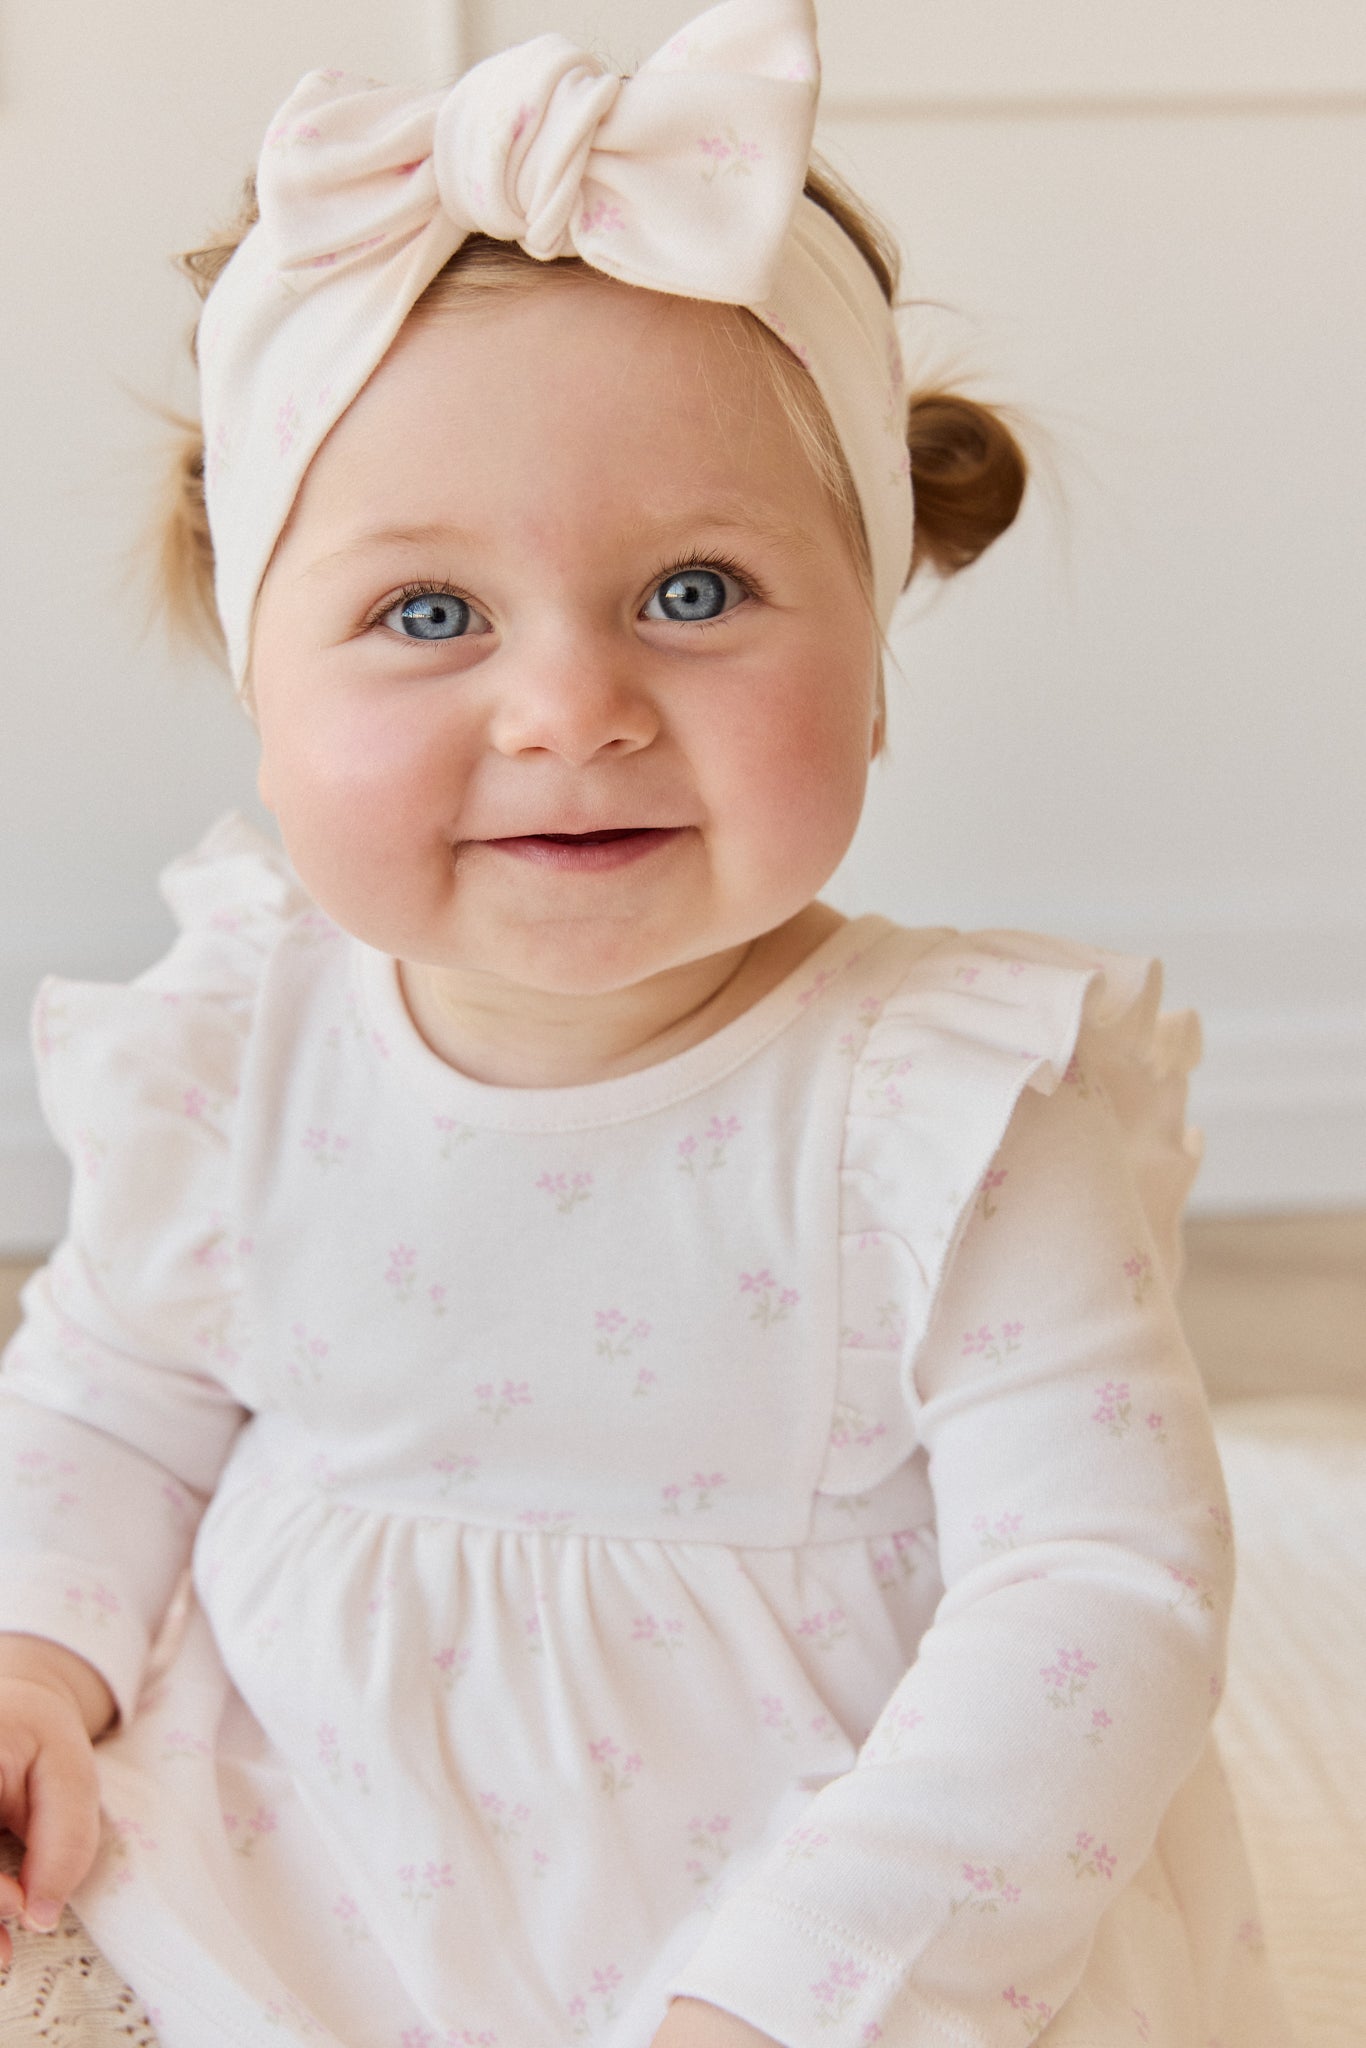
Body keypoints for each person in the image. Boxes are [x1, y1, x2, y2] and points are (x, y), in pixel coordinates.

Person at [0, 1, 1294, 2042]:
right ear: (260, 678)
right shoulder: (239, 1043)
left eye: (692, 592)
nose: (567, 708)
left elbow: (1097, 1590)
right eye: (428, 615)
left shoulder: (947, 1113)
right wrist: (35, 1657)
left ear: (872, 650)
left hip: (824, 1909)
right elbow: (110, 1402)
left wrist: (795, 1994)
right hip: (288, 1848)